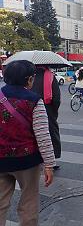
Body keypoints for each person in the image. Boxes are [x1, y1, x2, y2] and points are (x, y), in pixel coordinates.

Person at [0, 60, 55, 226]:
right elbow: (43, 135)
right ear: (29, 79)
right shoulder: (34, 100)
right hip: (27, 162)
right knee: (28, 204)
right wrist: (49, 165)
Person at [31, 66, 61, 170]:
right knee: (50, 133)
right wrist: (54, 112)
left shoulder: (30, 75)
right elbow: (57, 98)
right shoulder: (50, 76)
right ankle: (51, 161)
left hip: (29, 106)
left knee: (33, 133)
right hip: (48, 107)